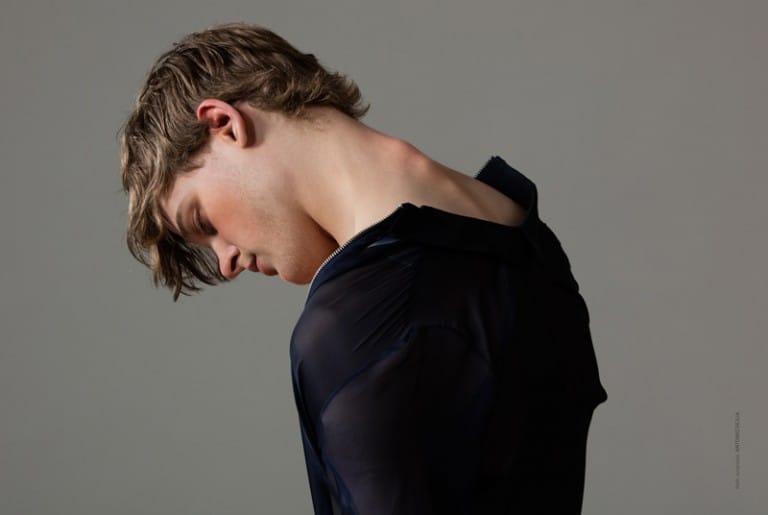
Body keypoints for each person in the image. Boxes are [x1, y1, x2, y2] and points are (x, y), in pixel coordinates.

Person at [120, 22, 608, 515]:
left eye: (203, 221)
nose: (226, 262)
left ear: (224, 123)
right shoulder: (525, 235)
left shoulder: (352, 330)